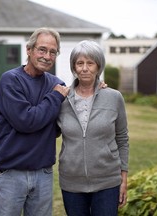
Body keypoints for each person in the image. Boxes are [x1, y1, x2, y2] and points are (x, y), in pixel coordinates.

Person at [0, 27, 70, 216]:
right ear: (29, 50)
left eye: (53, 52)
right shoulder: (11, 80)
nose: (47, 56)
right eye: (42, 49)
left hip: (43, 173)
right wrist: (53, 99)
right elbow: (25, 121)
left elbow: (62, 124)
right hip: (11, 173)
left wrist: (97, 87)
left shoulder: (56, 84)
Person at [57, 40, 129, 216]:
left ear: (98, 66)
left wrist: (124, 179)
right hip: (71, 182)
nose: (84, 68)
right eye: (79, 63)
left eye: (90, 63)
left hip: (107, 182)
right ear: (74, 66)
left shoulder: (114, 97)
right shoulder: (61, 99)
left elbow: (122, 138)